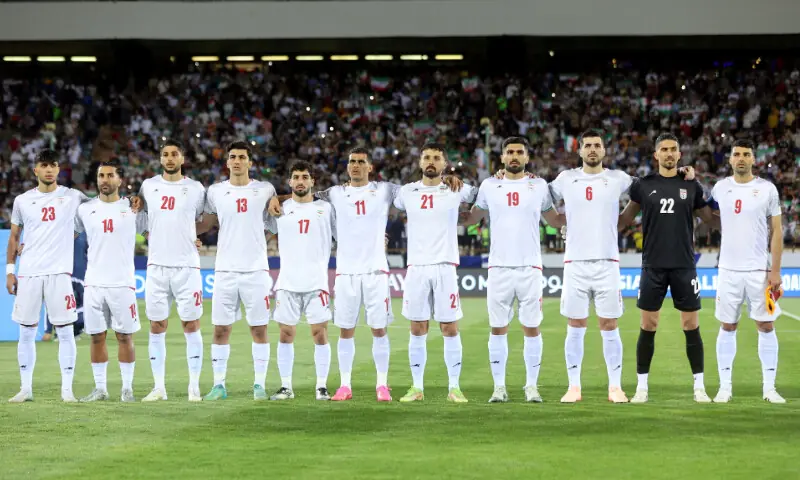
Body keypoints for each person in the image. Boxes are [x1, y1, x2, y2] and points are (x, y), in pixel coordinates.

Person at [460, 137, 564, 403]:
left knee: (532, 327)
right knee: (498, 328)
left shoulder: (538, 185)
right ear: (502, 158)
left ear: (527, 158)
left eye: (519, 152)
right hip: (499, 268)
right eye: (510, 152)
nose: (514, 156)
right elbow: (472, 218)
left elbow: (553, 220)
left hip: (530, 267)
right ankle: (499, 387)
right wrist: (447, 195)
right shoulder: (489, 185)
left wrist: (580, 218)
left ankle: (531, 386)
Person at [619, 132, 719, 403]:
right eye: (664, 149)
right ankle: (642, 388)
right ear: (656, 155)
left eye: (673, 149)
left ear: (679, 153)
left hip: (684, 265)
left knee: (691, 325)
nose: (669, 153)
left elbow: (711, 219)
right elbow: (624, 220)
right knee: (648, 325)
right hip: (653, 265)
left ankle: (699, 387)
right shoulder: (643, 185)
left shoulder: (692, 186)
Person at [393, 142, 477, 403]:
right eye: (427, 157)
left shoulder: (456, 189)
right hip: (416, 267)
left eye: (437, 158)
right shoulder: (406, 192)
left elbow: (485, 195)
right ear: (420, 162)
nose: (431, 161)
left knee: (449, 327)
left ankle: (454, 388)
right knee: (417, 327)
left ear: (444, 163)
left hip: (445, 266)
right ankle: (417, 387)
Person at [6, 150, 89, 403]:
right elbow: (13, 237)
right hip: (29, 273)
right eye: (44, 165)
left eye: (53, 165)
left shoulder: (73, 196)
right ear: (36, 171)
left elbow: (98, 210)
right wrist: (10, 270)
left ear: (58, 169)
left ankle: (67, 390)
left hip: (59, 274)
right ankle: (25, 388)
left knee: (65, 331)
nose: (49, 169)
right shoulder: (22, 200)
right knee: (27, 332)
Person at [710, 139, 785, 404]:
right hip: (728, 271)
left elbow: (777, 231)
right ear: (730, 160)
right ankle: (724, 387)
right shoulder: (719, 189)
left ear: (754, 159)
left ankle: (769, 388)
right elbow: (707, 216)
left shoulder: (767, 190)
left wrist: (775, 271)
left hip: (759, 272)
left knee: (765, 325)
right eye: (736, 154)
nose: (741, 158)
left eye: (746, 154)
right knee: (727, 325)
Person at [200, 142, 276, 401]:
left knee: (259, 330)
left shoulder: (265, 190)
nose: (236, 161)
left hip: (255, 270)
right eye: (232, 157)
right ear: (227, 161)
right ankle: (219, 385)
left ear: (250, 162)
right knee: (221, 329)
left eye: (242, 157)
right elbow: (206, 222)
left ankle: (259, 385)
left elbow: (278, 218)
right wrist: (187, 235)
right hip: (225, 271)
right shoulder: (216, 191)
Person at [137, 140, 206, 403]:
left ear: (182, 158)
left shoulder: (196, 188)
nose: (169, 158)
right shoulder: (149, 186)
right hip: (156, 266)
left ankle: (194, 386)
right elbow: (140, 216)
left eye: (174, 154)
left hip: (187, 265)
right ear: (160, 158)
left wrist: (195, 236)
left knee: (191, 323)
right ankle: (158, 387)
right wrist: (150, 237)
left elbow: (206, 218)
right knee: (157, 324)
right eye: (165, 154)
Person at [266, 161, 335, 401]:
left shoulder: (326, 209)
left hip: (317, 282)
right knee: (286, 334)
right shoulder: (280, 208)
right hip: (287, 282)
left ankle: (321, 386)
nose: (300, 181)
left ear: (312, 181)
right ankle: (286, 387)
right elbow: (259, 231)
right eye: (296, 177)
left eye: (305, 177)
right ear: (290, 181)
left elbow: (345, 232)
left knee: (319, 333)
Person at [77, 160, 141, 403]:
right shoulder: (85, 209)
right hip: (93, 283)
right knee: (96, 336)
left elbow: (155, 230)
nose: (104, 180)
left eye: (110, 175)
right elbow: (68, 234)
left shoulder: (133, 209)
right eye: (101, 175)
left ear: (120, 180)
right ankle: (101, 389)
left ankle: (127, 389)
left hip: (122, 284)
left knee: (124, 336)